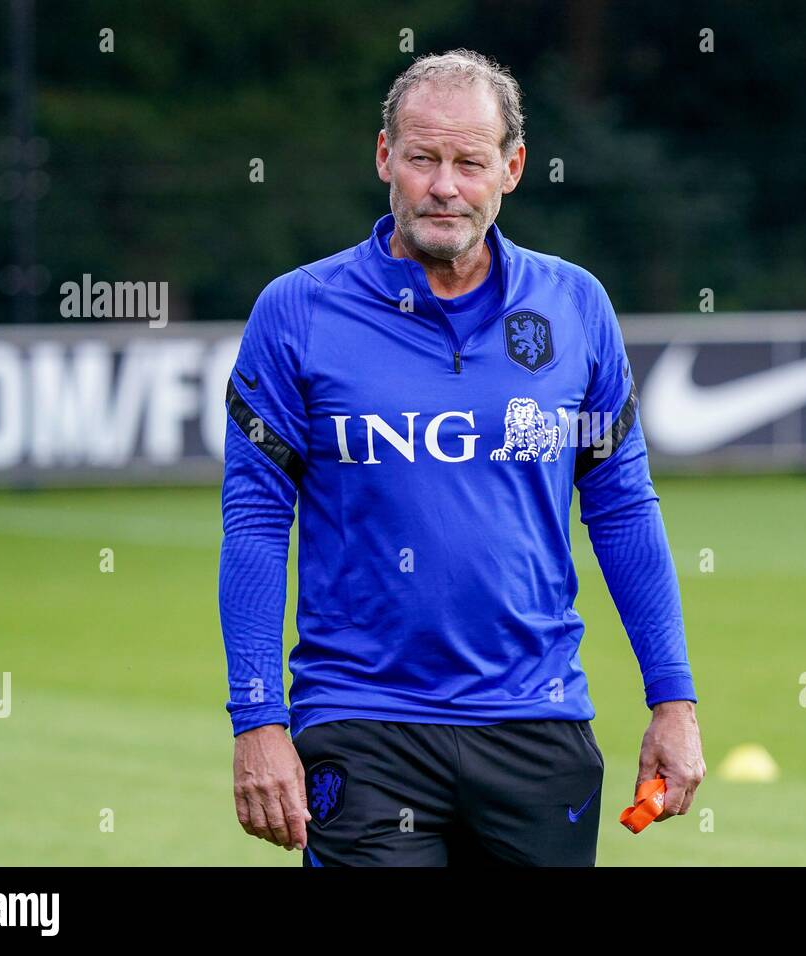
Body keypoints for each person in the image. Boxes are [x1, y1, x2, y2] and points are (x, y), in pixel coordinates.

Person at [219, 49, 704, 866]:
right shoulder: (297, 312)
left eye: (470, 162)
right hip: (362, 723)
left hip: (538, 723)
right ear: (385, 158)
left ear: (511, 168)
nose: (445, 185)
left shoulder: (574, 306)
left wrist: (674, 700)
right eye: (422, 158)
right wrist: (258, 720)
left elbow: (622, 508)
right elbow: (257, 521)